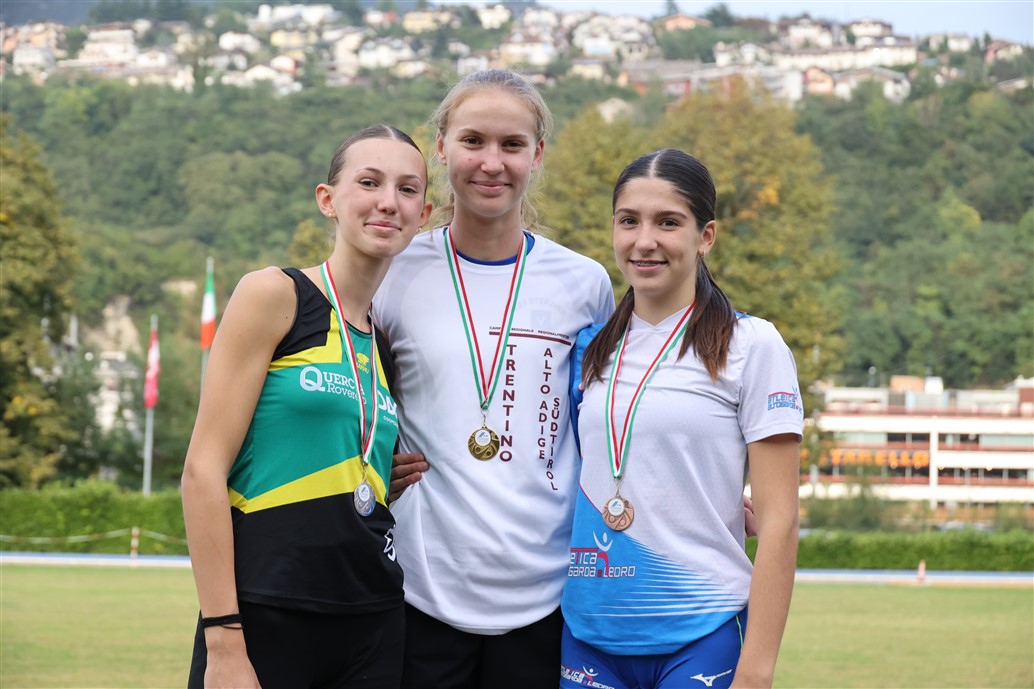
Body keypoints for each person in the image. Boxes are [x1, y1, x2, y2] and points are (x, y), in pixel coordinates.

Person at [372, 69, 615, 688]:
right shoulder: (393, 271)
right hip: (421, 591)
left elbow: (610, 420)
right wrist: (369, 464)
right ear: (441, 147)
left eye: (512, 145)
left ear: (538, 154)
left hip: (548, 596)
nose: (491, 162)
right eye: (473, 140)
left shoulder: (585, 283)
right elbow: (353, 396)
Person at [181, 124, 432, 689]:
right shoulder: (275, 295)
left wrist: (373, 477)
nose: (388, 201)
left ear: (423, 213)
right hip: (267, 610)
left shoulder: (383, 344)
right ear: (328, 199)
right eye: (369, 182)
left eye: (407, 189)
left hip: (372, 619)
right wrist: (223, 637)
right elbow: (202, 471)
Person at [559, 148, 802, 689]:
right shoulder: (588, 349)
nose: (644, 241)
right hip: (588, 633)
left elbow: (780, 522)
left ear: (705, 236)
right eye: (629, 221)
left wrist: (757, 671)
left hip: (703, 632)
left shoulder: (751, 345)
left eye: (668, 222)